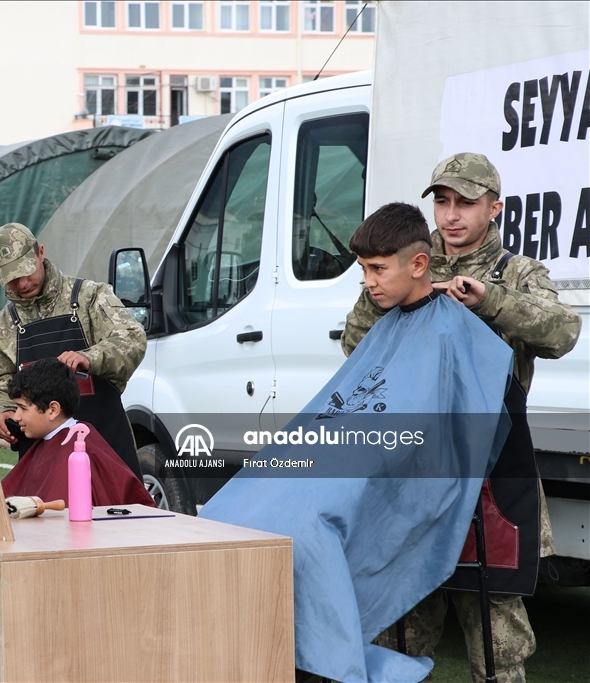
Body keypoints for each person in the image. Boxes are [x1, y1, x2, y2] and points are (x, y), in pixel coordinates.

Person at [201, 202, 520, 682]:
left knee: (310, 524)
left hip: (395, 468)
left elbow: (446, 429)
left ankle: (321, 653)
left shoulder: (456, 331)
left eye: (377, 269)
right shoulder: (384, 324)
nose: (369, 282)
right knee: (234, 508)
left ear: (418, 263)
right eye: (364, 271)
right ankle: (265, 647)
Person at [342, 155, 581, 683]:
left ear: (495, 208)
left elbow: (562, 332)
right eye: (443, 201)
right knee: (399, 632)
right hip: (414, 476)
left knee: (498, 644)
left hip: (489, 476)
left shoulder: (516, 273)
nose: (451, 215)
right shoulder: (407, 259)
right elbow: (356, 350)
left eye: (466, 203)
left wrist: (490, 300)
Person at [0, 223, 147, 478]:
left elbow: (132, 338)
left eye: (27, 271)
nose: (23, 283)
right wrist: (0, 412)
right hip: (41, 463)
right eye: (13, 278)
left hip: (107, 449)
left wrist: (89, 358)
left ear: (41, 253)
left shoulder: (90, 297)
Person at [1, 359, 155, 508]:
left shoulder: (79, 448)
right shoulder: (46, 443)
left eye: (22, 408)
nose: (16, 416)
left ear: (53, 410)